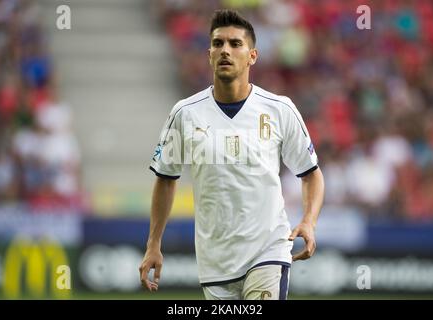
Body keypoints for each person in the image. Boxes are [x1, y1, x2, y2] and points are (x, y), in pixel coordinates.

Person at [139, 9, 325, 300]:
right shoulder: (185, 113)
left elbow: (311, 174)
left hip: (268, 250)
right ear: (209, 54)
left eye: (235, 44)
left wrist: (309, 222)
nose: (225, 50)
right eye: (218, 43)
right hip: (215, 262)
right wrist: (153, 244)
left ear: (252, 56)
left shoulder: (279, 109)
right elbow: (165, 178)